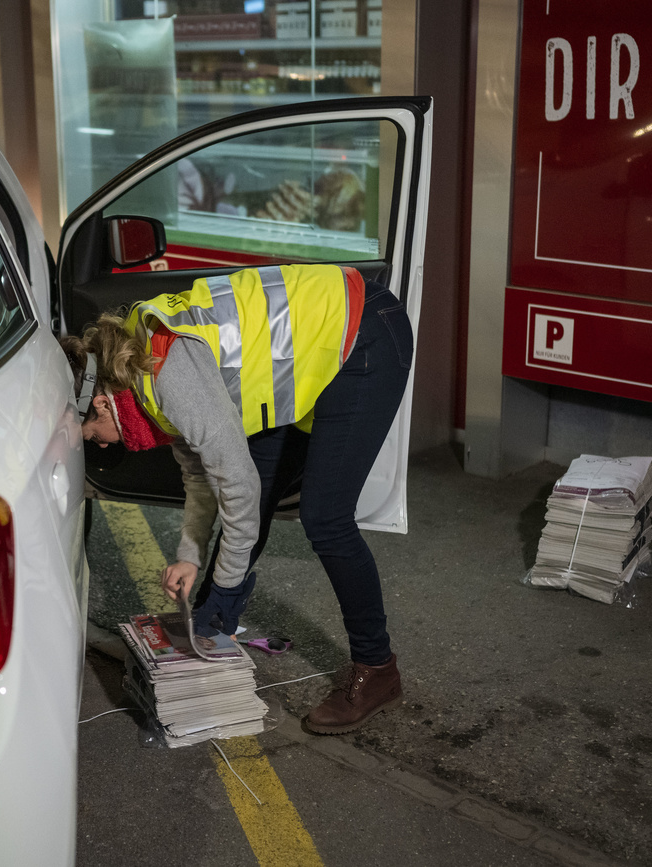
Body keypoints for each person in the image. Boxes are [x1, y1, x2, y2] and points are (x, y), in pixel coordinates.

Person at [61, 263, 414, 734]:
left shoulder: (169, 378)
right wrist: (189, 557)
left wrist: (226, 588)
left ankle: (377, 670)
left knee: (326, 518)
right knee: (254, 497)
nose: (102, 444)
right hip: (325, 338)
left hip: (362, 334)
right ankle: (211, 623)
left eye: (93, 435)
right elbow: (203, 480)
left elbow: (237, 487)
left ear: (102, 402)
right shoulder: (136, 371)